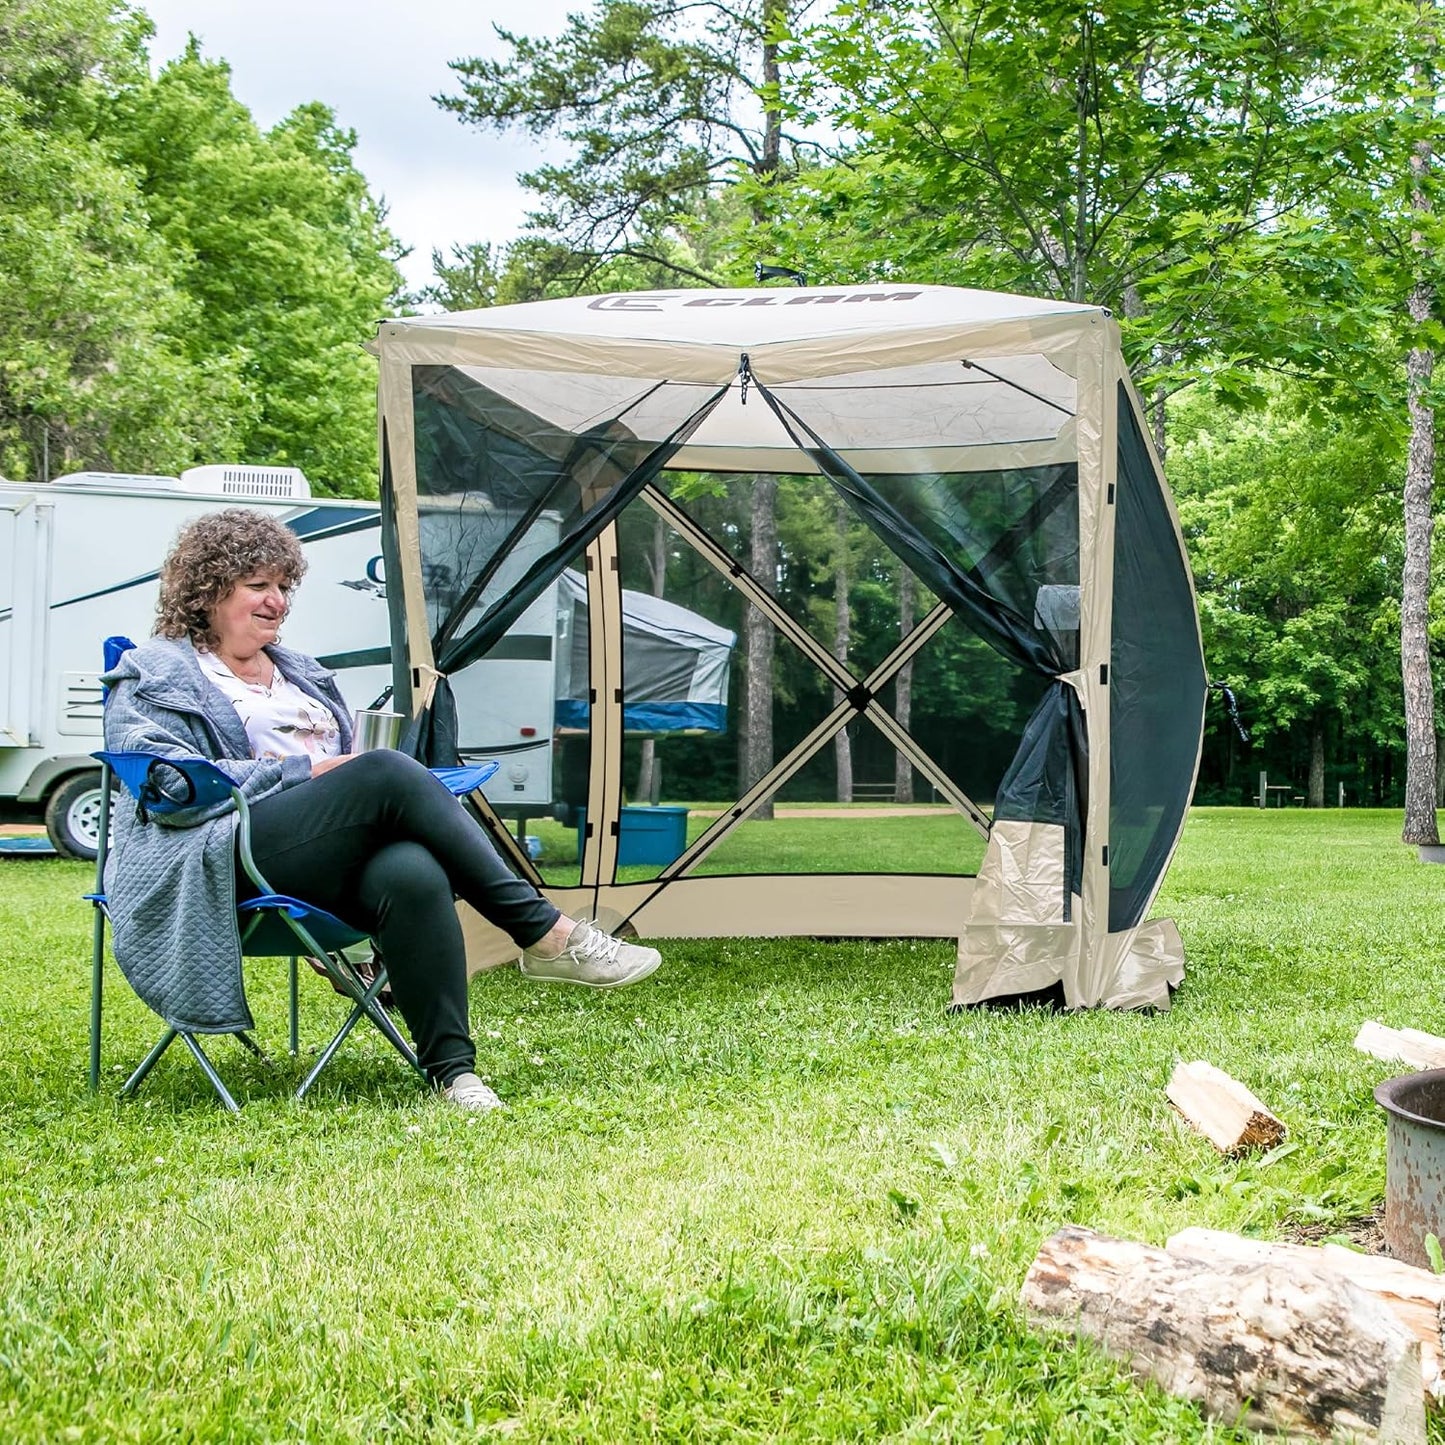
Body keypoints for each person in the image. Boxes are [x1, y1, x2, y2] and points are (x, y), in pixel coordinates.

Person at [102, 508, 661, 1112]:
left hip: (322, 848)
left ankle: (456, 1076)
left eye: (284, 587)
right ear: (209, 588)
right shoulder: (155, 671)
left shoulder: (302, 674)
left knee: (410, 869)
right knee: (386, 769)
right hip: (226, 851)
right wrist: (307, 772)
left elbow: (346, 767)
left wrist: (349, 776)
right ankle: (546, 932)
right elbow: (167, 786)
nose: (277, 602)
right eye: (258, 585)